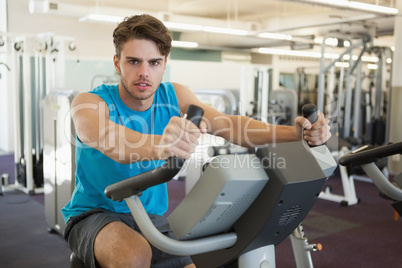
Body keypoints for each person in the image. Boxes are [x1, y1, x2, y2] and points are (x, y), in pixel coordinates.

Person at [62, 14, 331, 268]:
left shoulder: (174, 95)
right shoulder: (90, 102)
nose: (144, 72)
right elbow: (107, 138)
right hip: (92, 214)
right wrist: (162, 144)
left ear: (164, 64)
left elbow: (230, 125)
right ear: (117, 62)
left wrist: (298, 134)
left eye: (154, 62)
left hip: (150, 218)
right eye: (134, 61)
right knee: (134, 255)